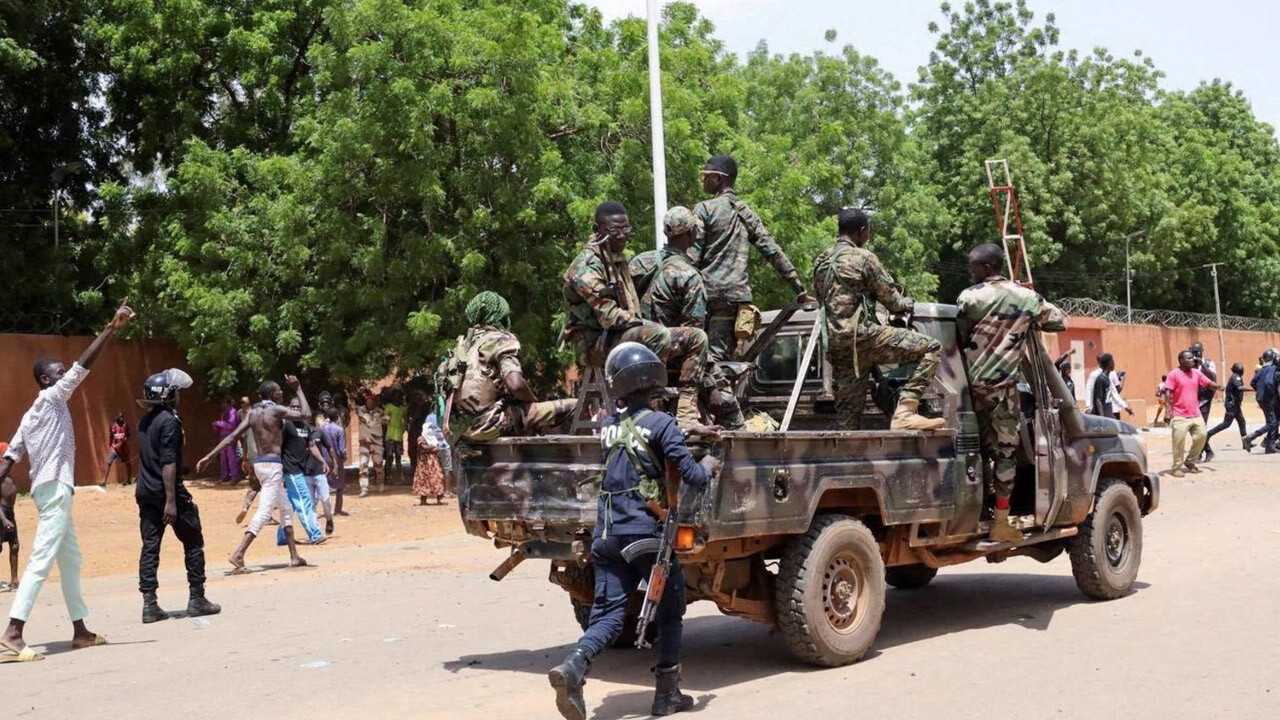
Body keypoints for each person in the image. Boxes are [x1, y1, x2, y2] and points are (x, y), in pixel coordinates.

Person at [547, 342, 721, 720]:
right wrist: (709, 461)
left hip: (606, 535)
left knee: (608, 614)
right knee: (671, 609)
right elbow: (691, 476)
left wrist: (683, 428)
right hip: (645, 535)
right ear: (652, 378)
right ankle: (666, 695)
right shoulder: (661, 424)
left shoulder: (609, 425)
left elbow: (639, 435)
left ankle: (573, 666)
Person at [0, 303, 132, 661]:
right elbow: (82, 368)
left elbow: (10, 457)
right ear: (45, 380)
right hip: (56, 488)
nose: (65, 376)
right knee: (41, 560)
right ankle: (13, 632)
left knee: (70, 560)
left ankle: (80, 631)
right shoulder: (50, 397)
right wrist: (109, 329)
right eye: (58, 373)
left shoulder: (31, 415)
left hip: (49, 490)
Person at [562, 201, 710, 424]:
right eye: (615, 230)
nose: (622, 236)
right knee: (657, 334)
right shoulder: (586, 266)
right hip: (595, 343)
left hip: (617, 337)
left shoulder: (616, 258)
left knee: (696, 337)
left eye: (626, 229)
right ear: (597, 230)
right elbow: (610, 317)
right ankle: (650, 411)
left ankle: (687, 415)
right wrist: (643, 324)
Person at [955, 244, 1065, 543]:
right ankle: (1001, 519)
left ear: (988, 268)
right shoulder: (1025, 297)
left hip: (969, 389)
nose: (971, 272)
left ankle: (978, 511)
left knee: (973, 451)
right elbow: (1058, 320)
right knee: (1005, 454)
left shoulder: (969, 297)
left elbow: (961, 335)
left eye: (974, 267)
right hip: (1003, 390)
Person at [814, 208, 945, 431]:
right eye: (868, 232)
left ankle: (846, 460)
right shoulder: (864, 258)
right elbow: (892, 301)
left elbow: (823, 300)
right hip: (864, 338)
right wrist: (906, 303)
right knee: (931, 348)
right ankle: (905, 411)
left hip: (838, 346)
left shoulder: (821, 261)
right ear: (862, 231)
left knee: (848, 417)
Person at [633, 207, 745, 429]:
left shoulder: (639, 263)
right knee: (728, 409)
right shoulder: (689, 276)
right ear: (691, 234)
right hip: (672, 354)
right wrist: (712, 386)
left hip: (635, 349)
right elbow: (695, 339)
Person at [693, 155, 815, 361]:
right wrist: (799, 289)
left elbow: (691, 255)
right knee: (723, 357)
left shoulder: (704, 209)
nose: (703, 180)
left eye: (705, 176)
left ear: (718, 178)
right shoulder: (746, 213)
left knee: (704, 358)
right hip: (736, 299)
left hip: (706, 296)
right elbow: (773, 251)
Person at [195, 376, 313, 573]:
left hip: (259, 465)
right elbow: (306, 414)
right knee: (265, 510)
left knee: (284, 506)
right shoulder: (276, 410)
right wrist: (298, 388)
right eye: (279, 391)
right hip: (274, 465)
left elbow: (233, 436)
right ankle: (239, 553)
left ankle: (294, 556)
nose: (281, 393)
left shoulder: (252, 413)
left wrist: (210, 455)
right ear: (272, 394)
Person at [134, 369, 221, 624]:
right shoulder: (169, 421)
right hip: (167, 494)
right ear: (169, 396)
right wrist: (171, 501)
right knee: (193, 541)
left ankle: (150, 605)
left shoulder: (145, 421)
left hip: (146, 492)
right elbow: (168, 462)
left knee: (150, 546)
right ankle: (197, 599)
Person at [444, 291, 577, 442]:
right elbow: (516, 384)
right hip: (489, 424)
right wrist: (532, 402)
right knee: (576, 406)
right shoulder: (500, 339)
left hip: (458, 433)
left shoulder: (461, 347)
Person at [1165, 350, 1221, 477]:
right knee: (1179, 441)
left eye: (1192, 358)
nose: (1192, 360)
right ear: (1181, 360)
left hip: (1195, 413)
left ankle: (1190, 461)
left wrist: (1217, 386)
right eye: (1189, 358)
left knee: (1202, 436)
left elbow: (1207, 383)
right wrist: (1168, 411)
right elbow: (1167, 392)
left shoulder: (1196, 373)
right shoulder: (1173, 374)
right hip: (1179, 414)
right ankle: (1176, 467)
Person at [281, 398, 327, 544]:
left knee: (291, 504)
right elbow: (278, 446)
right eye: (292, 406)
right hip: (291, 469)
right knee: (305, 499)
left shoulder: (306, 426)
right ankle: (314, 534)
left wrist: (323, 460)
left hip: (299, 470)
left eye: (297, 407)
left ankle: (282, 537)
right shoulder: (286, 425)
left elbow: (312, 446)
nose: (294, 409)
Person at [1206, 363, 1248, 449]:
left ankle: (1246, 443)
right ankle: (1208, 434)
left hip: (1235, 405)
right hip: (1232, 405)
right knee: (1226, 424)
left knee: (1242, 422)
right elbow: (1239, 388)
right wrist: (1253, 389)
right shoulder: (1235, 377)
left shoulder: (1236, 376)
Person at [1189, 342, 1219, 461]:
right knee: (1194, 428)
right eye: (1193, 351)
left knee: (1201, 426)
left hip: (1205, 399)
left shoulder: (1208, 363)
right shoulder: (1190, 363)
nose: (1195, 354)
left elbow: (1213, 377)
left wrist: (1202, 366)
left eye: (1197, 351)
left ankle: (1199, 454)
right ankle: (1207, 451)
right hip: (1193, 399)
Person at [1244, 350, 1278, 453]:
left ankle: (1269, 445)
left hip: (1261, 398)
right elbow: (1268, 383)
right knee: (1272, 423)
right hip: (1269, 399)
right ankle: (1250, 438)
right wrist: (1271, 392)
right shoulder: (1273, 369)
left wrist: (1260, 391)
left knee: (1273, 420)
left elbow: (1253, 382)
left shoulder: (1261, 369)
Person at [319, 407, 349, 516]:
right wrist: (344, 457)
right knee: (340, 484)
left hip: (325, 459)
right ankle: (338, 509)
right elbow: (341, 448)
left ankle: (326, 510)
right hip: (336, 459)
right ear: (337, 417)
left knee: (324, 484)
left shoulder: (322, 429)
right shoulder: (339, 429)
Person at [355, 392, 386, 497]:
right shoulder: (361, 411)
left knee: (378, 465)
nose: (369, 403)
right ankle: (364, 488)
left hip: (377, 443)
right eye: (367, 401)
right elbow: (354, 404)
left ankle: (380, 483)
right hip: (364, 442)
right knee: (363, 465)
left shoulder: (380, 412)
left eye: (371, 401)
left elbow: (387, 421)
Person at [1086, 354, 1133, 420]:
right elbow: (1095, 397)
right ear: (1109, 364)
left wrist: (1125, 407)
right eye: (1112, 361)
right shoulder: (1097, 376)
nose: (1114, 363)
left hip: (1109, 412)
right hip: (1101, 415)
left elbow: (1114, 393)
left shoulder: (1108, 377)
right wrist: (1088, 406)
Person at [413, 417, 446, 505]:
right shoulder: (421, 438)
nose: (431, 430)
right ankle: (423, 500)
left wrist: (433, 447)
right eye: (429, 428)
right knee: (424, 479)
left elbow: (438, 448)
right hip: (424, 463)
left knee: (437, 477)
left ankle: (440, 498)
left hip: (433, 462)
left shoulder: (433, 438)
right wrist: (432, 447)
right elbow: (423, 447)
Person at [212, 398, 242, 484]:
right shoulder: (224, 412)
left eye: (223, 403)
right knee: (223, 458)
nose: (222, 405)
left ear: (228, 403)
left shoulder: (233, 412)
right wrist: (217, 426)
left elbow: (231, 425)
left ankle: (234, 477)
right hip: (222, 436)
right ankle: (224, 476)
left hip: (230, 437)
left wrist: (217, 423)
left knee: (231, 457)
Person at [101, 410, 133, 487]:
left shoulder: (125, 425)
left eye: (123, 417)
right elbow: (111, 437)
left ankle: (128, 480)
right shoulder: (112, 426)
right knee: (109, 462)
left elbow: (128, 435)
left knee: (127, 463)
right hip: (114, 448)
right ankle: (103, 480)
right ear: (116, 418)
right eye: (120, 417)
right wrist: (111, 446)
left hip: (123, 448)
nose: (122, 418)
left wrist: (122, 442)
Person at [1, 456, 17, 593]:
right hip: (1, 513)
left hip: (10, 512)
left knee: (14, 545)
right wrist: (4, 520)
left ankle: (14, 580)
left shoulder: (9, 475)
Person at [383, 389, 406, 485]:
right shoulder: (389, 407)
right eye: (395, 396)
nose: (397, 398)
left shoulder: (402, 408)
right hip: (390, 436)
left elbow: (405, 420)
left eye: (398, 396)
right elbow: (385, 421)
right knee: (389, 457)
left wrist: (403, 429)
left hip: (399, 437)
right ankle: (387, 476)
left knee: (398, 457)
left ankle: (399, 476)